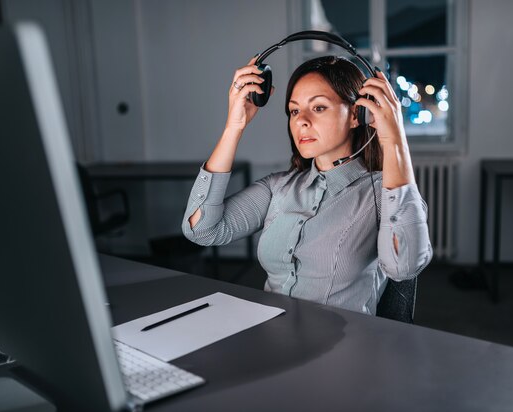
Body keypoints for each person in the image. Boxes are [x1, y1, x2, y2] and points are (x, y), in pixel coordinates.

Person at [182, 55, 432, 315]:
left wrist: (393, 138)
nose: (301, 120)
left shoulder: (382, 194)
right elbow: (200, 229)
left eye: (319, 107)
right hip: (270, 338)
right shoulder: (278, 187)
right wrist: (234, 126)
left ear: (357, 115)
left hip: (344, 346)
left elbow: (404, 268)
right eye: (294, 110)